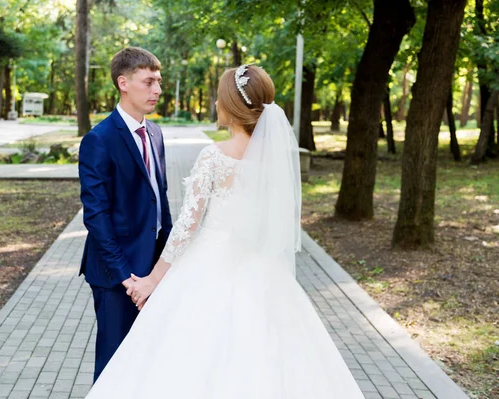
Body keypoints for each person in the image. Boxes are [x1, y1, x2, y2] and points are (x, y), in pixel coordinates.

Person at [85, 65, 365, 398]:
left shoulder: (214, 156)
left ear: (229, 104)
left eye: (219, 97)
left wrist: (153, 280)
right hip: (263, 272)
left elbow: (187, 228)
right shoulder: (274, 161)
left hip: (209, 268)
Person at [78, 47, 173, 383]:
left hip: (154, 270)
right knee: (114, 365)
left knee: (149, 361)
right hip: (116, 276)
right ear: (123, 83)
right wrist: (126, 278)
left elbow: (160, 202)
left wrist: (168, 263)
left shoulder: (157, 133)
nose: (158, 90)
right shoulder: (98, 140)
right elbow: (96, 216)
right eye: (149, 82)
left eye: (159, 82)